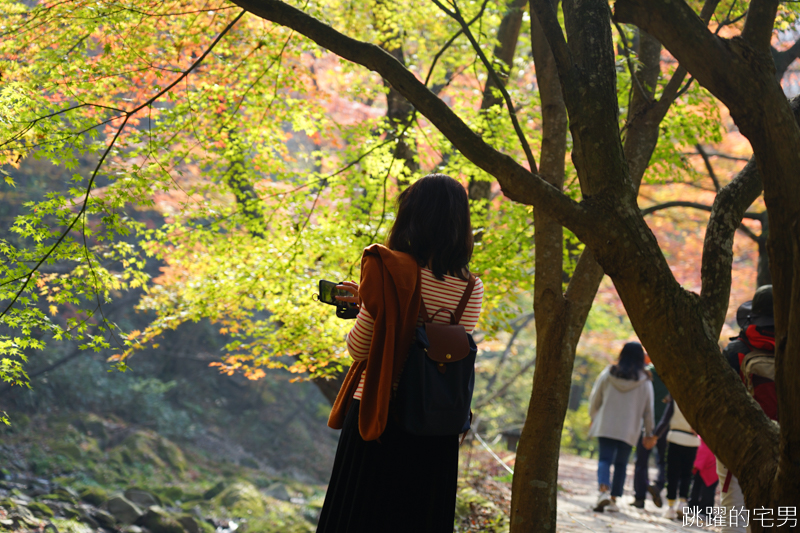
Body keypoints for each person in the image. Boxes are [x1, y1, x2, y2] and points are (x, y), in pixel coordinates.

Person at [316, 174, 485, 533]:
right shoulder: (472, 287)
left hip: (380, 416)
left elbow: (359, 349)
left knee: (359, 518)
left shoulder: (390, 267)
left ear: (413, 215)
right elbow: (440, 345)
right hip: (436, 424)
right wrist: (373, 302)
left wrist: (370, 307)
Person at [716, 285, 775, 533]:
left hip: (738, 442)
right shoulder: (792, 350)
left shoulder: (736, 351)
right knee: (772, 515)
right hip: (783, 443)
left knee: (733, 514)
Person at [588, 342, 655, 513]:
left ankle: (603, 491)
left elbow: (595, 398)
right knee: (621, 464)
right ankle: (613, 500)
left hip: (606, 424)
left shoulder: (609, 373)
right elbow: (649, 410)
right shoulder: (645, 380)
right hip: (629, 428)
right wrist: (649, 432)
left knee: (604, 459)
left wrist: (593, 416)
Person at [631, 362, 669, 509]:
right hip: (665, 425)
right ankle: (658, 486)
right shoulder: (674, 375)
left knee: (641, 461)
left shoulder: (647, 373)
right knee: (663, 460)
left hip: (646, 422)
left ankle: (639, 497)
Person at [654, 399, 699, 520]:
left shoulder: (676, 399)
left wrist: (655, 436)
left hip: (675, 438)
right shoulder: (700, 399)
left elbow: (665, 420)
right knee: (686, 474)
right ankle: (682, 503)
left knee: (672, 474)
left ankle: (670, 507)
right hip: (692, 441)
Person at [687, 436, 719, 522]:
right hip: (709, 465)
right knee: (702, 488)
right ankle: (699, 509)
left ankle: (701, 509)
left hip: (708, 465)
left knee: (702, 488)